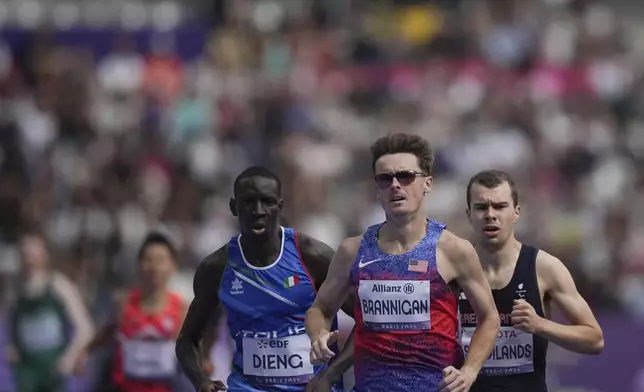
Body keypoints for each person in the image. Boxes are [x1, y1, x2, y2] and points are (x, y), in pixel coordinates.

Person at [306, 133, 500, 392]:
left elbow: (489, 318)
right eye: (385, 179)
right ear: (377, 189)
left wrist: (470, 371)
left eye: (406, 176)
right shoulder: (353, 251)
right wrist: (318, 334)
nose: (395, 185)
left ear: (428, 183)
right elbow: (320, 308)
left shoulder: (453, 250)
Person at [175, 166, 355, 392]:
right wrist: (200, 381)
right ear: (233, 207)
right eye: (248, 202)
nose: (258, 211)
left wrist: (330, 376)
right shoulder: (216, 268)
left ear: (280, 206)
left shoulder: (312, 256)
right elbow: (186, 340)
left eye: (267, 202)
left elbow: (366, 320)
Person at [459, 170, 604, 392]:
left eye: (499, 206)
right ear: (469, 214)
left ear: (516, 212)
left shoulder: (544, 268)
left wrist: (541, 325)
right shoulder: (453, 272)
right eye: (481, 207)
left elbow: (594, 340)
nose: (490, 214)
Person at [76, 231, 193, 392]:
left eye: (160, 260)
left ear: (172, 267)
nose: (153, 267)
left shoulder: (181, 308)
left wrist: (204, 365)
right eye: (148, 259)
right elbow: (104, 334)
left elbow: (193, 350)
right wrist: (84, 353)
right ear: (139, 265)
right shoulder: (122, 303)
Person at [7, 229, 94, 392]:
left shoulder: (59, 285)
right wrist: (12, 347)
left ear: (45, 254)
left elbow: (86, 328)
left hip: (52, 369)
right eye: (25, 250)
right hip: (26, 371)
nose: (29, 256)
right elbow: (12, 324)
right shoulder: (15, 289)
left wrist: (70, 358)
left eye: (34, 250)